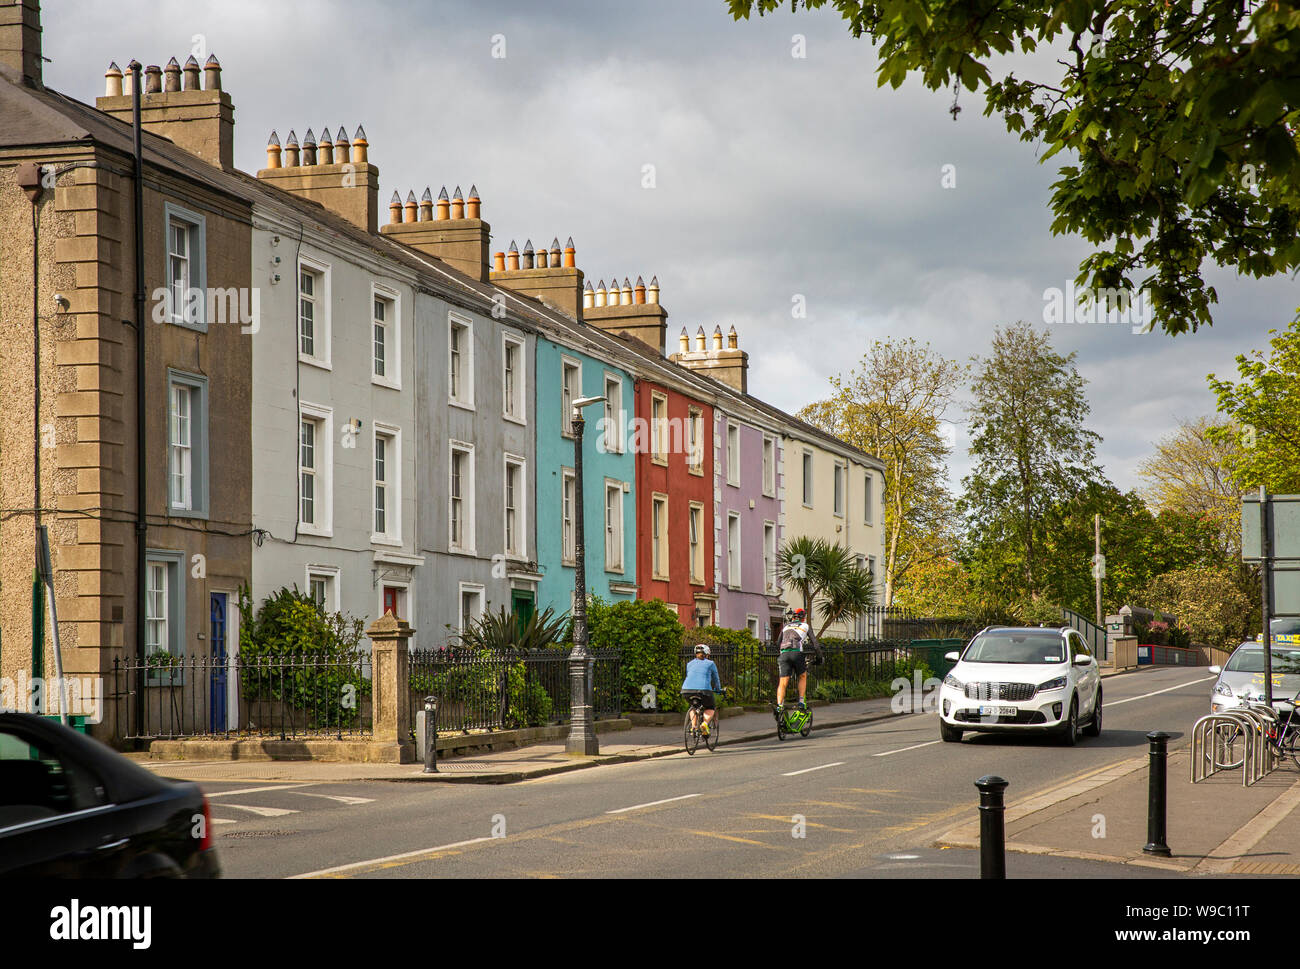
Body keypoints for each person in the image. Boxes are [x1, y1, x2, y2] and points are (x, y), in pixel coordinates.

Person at [776, 608, 819, 715]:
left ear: (793, 617)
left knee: (783, 682)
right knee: (802, 676)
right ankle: (800, 702)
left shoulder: (786, 626)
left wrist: (782, 654)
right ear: (803, 618)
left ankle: (780, 706)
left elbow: (778, 643)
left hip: (784, 654)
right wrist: (819, 658)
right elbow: (815, 644)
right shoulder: (805, 626)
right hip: (796, 653)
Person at [680, 644, 722, 735]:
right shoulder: (710, 663)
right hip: (704, 691)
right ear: (707, 654)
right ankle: (704, 724)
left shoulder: (689, 664)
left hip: (686, 690)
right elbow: (716, 679)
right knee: (710, 707)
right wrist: (718, 689)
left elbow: (690, 676)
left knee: (693, 707)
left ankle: (693, 727)